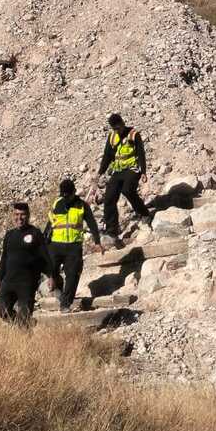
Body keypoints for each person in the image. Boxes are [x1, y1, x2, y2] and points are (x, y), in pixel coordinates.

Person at [41, 179, 101, 313]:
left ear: (74, 192)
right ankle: (60, 291)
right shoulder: (57, 204)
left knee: (73, 274)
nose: (66, 197)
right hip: (55, 246)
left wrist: (97, 242)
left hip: (73, 247)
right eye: (64, 195)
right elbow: (50, 224)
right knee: (51, 272)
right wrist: (43, 244)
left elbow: (92, 224)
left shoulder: (82, 205)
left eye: (69, 194)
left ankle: (65, 304)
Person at [98, 113, 152, 245]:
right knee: (109, 197)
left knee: (128, 190)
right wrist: (100, 172)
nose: (118, 130)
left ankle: (144, 213)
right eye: (115, 129)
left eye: (119, 127)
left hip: (132, 169)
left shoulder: (133, 134)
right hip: (118, 170)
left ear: (123, 123)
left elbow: (141, 153)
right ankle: (112, 231)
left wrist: (143, 171)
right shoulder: (112, 137)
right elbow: (107, 155)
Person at [0, 202, 51, 325]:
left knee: (24, 315)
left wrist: (51, 276)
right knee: (1, 311)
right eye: (16, 214)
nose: (19, 218)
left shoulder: (35, 233)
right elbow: (4, 258)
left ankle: (23, 333)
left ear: (28, 215)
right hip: (8, 281)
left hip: (27, 283)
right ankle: (18, 324)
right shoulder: (9, 235)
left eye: (23, 214)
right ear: (12, 215)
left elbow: (45, 257)